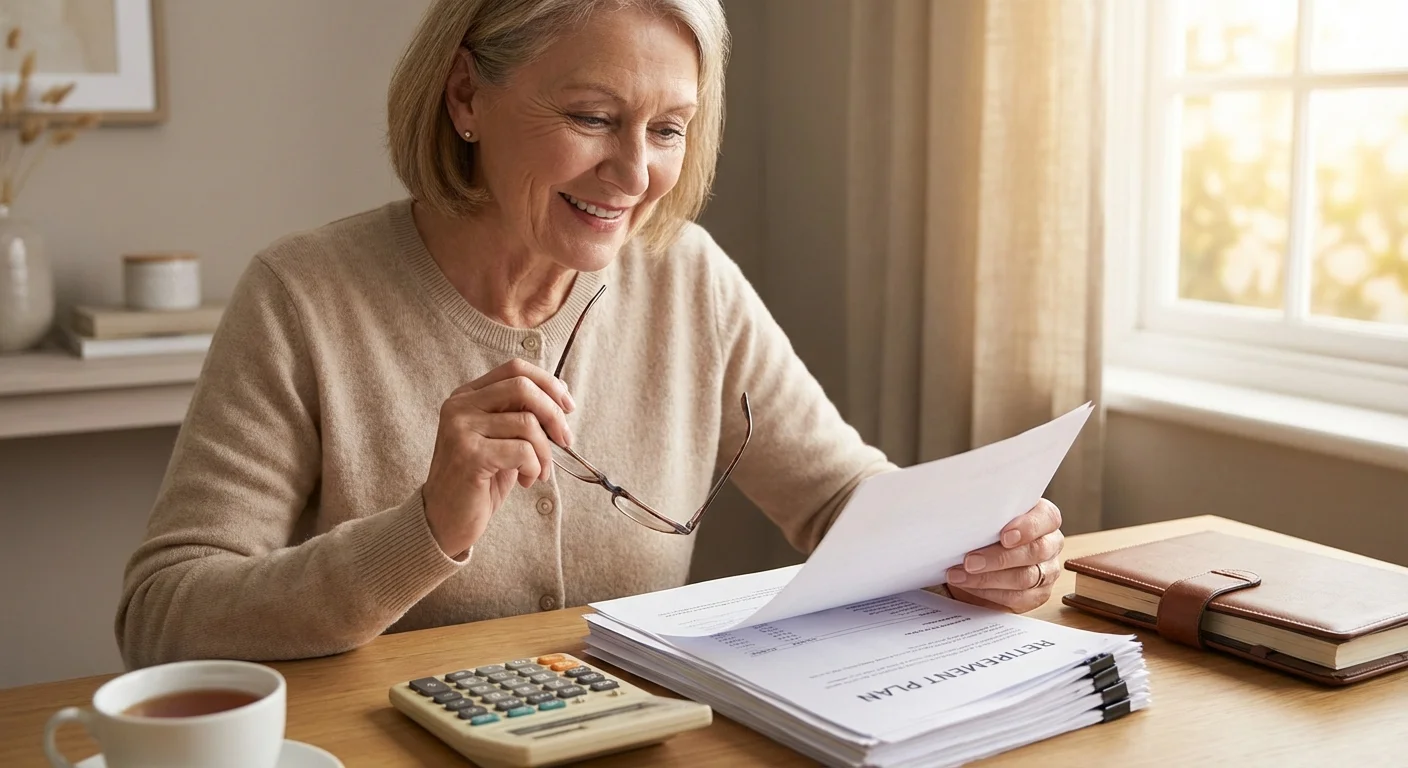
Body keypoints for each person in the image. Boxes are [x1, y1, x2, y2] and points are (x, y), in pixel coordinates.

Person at [115, 0, 1066, 669]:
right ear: (464, 98)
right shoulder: (304, 296)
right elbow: (163, 617)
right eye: (592, 117)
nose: (634, 173)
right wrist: (425, 528)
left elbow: (836, 500)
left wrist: (973, 546)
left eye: (668, 129)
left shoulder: (687, 274)